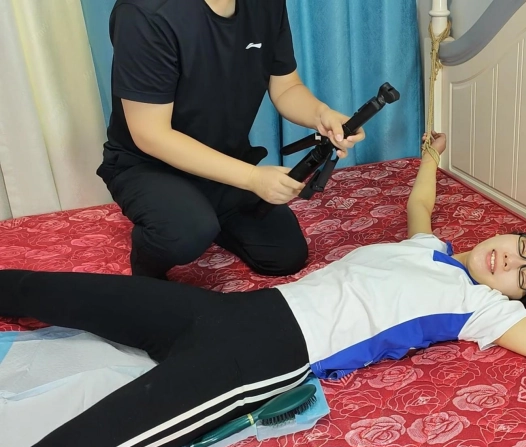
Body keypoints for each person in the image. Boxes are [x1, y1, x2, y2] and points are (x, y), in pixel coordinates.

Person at [3, 132, 526, 447]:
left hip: (262, 358)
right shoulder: (427, 248)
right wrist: (430, 156)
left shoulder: (481, 310)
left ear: (518, 299)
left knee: (100, 437)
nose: (513, 261)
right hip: (235, 310)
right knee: (65, 291)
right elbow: (420, 208)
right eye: (524, 247)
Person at [95, 0, 365, 280]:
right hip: (147, 166)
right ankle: (149, 264)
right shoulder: (144, 13)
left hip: (224, 161)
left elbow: (286, 86)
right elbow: (150, 134)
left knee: (285, 255)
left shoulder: (267, 6)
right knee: (184, 232)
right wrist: (252, 178)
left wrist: (321, 115)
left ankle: (205, 214)